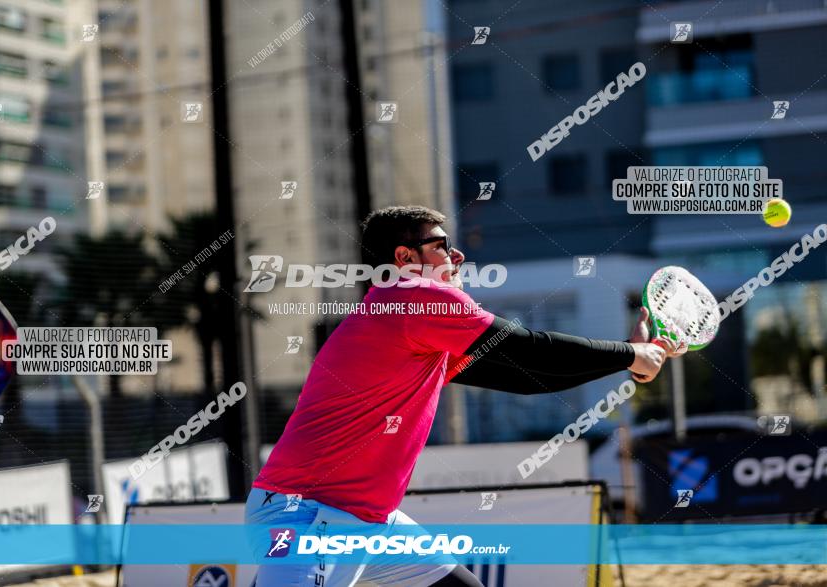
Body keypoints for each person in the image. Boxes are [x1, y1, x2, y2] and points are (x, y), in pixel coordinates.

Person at [246, 205, 673, 586]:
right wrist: (632, 354)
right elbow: (530, 348)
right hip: (307, 516)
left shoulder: (403, 316)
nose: (457, 257)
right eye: (442, 247)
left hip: (368, 520)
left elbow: (528, 377)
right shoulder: (416, 297)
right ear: (404, 258)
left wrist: (629, 363)